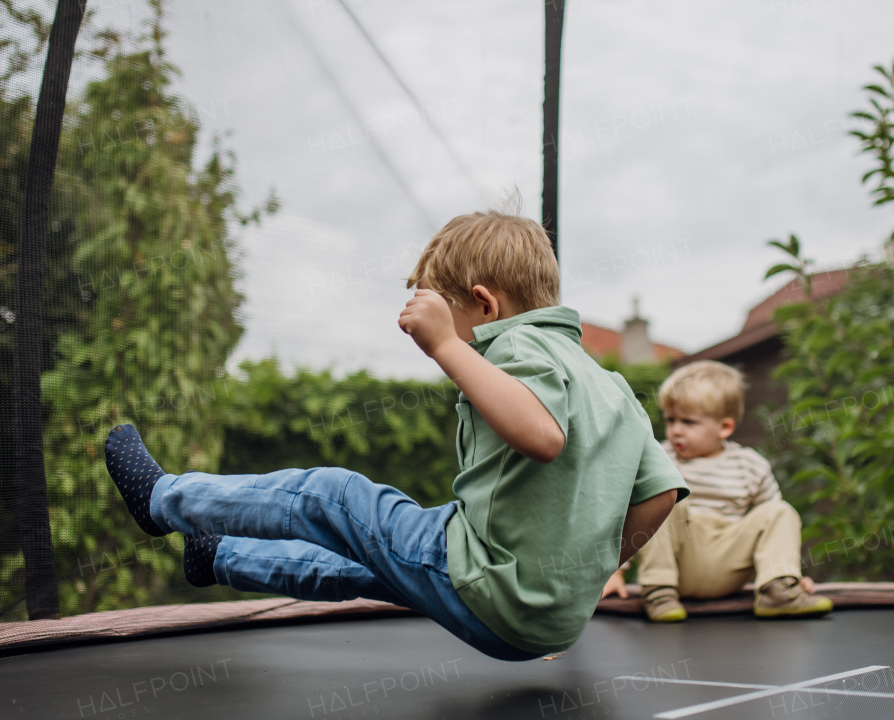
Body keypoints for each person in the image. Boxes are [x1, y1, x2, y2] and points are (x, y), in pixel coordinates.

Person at [104, 207, 688, 661]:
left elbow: (541, 434)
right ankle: (218, 557)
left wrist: (444, 345)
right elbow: (661, 492)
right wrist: (584, 573)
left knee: (333, 496)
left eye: (443, 309)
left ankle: (164, 501)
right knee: (366, 561)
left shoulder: (518, 342)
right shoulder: (611, 385)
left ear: (485, 305)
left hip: (491, 586)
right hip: (546, 618)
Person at [601, 360, 832, 621]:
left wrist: (791, 573)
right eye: (671, 420)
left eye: (688, 422)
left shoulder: (750, 464)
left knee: (781, 511)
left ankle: (777, 591)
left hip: (728, 565)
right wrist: (617, 572)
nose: (676, 430)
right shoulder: (659, 458)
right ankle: (659, 593)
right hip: (677, 566)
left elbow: (775, 529)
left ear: (724, 427)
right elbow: (635, 518)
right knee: (664, 497)